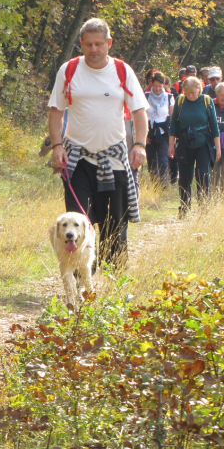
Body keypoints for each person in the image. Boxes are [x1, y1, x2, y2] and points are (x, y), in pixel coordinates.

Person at [48, 18, 148, 269]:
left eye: (99, 44)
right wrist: (57, 145)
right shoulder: (69, 70)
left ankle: (114, 276)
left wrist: (140, 144)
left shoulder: (122, 71)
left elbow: (139, 112)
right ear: (81, 44)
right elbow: (56, 111)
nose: (94, 50)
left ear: (109, 44)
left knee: (115, 221)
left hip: (113, 159)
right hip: (78, 160)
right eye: (88, 44)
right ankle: (84, 276)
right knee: (79, 221)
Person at [169, 77, 221, 215]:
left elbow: (214, 126)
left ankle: (205, 207)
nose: (191, 95)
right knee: (185, 177)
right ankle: (184, 207)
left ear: (200, 89)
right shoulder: (180, 101)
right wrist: (171, 145)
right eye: (188, 92)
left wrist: (218, 148)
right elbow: (173, 125)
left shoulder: (206, 101)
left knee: (203, 175)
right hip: (185, 143)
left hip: (203, 143)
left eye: (194, 92)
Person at [144, 72, 174, 185]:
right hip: (150, 132)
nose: (157, 89)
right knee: (151, 161)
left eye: (160, 86)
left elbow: (172, 118)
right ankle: (155, 185)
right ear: (151, 85)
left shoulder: (169, 97)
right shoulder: (146, 96)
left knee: (163, 160)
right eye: (155, 86)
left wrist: (173, 136)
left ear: (164, 86)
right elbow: (143, 115)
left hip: (163, 132)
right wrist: (144, 135)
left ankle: (164, 185)